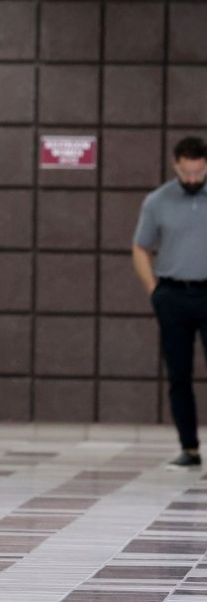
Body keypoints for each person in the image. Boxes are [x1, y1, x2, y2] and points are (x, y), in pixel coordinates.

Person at [132, 136, 207, 468]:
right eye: (187, 172)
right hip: (173, 296)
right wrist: (154, 290)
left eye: (199, 172)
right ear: (176, 165)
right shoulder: (157, 201)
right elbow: (140, 247)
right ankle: (189, 448)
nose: (193, 179)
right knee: (179, 375)